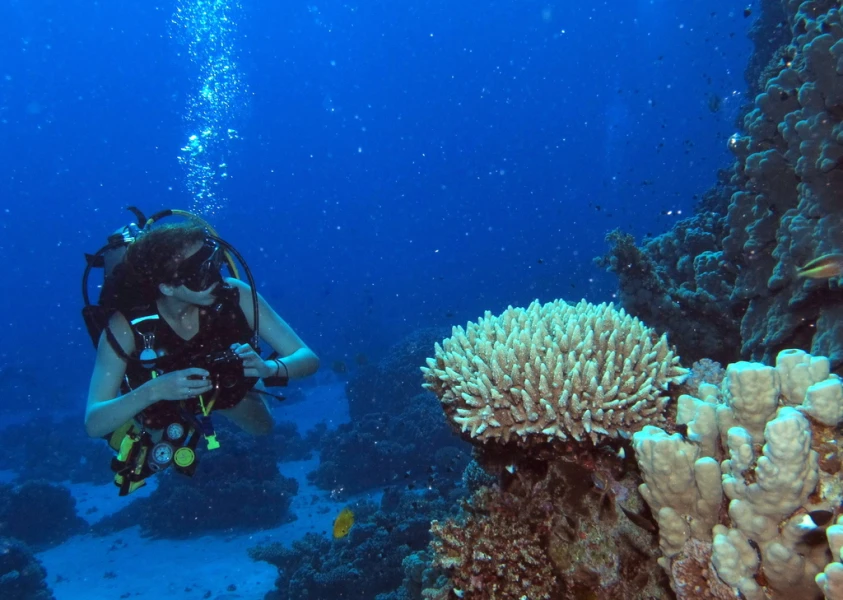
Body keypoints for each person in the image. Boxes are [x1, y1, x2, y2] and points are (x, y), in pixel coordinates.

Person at [85, 222, 320, 443]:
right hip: (160, 401)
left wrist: (270, 369)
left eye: (214, 263)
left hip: (224, 391)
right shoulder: (127, 326)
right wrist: (154, 390)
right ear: (167, 287)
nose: (215, 281)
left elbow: (308, 358)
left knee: (263, 427)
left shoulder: (237, 296)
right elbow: (94, 423)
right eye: (199, 275)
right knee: (153, 444)